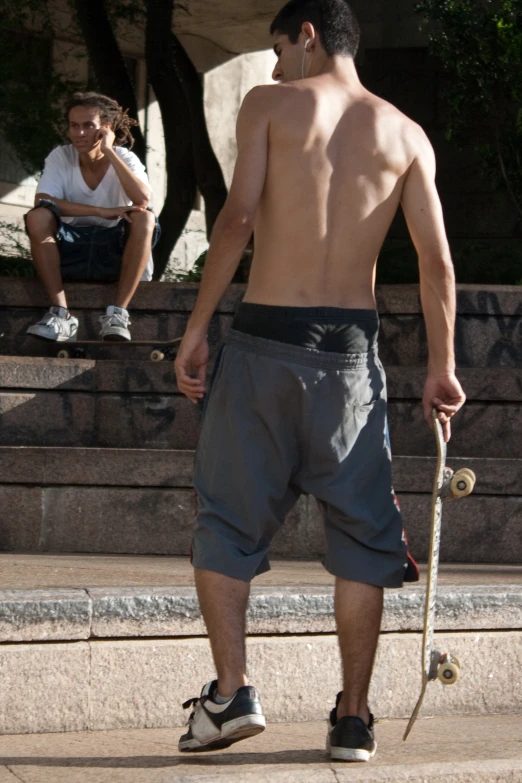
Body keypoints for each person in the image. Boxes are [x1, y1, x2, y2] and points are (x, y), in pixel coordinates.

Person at [174, 0, 466, 763]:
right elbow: (437, 263)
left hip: (266, 341)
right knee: (365, 540)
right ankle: (354, 720)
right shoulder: (405, 134)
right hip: (349, 360)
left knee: (226, 521)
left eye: (277, 49)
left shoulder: (270, 103)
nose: (272, 68)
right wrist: (441, 367)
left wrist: (199, 325)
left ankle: (232, 692)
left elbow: (236, 221)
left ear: (307, 36)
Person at [24, 92, 158, 342]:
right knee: (38, 216)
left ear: (105, 129)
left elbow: (142, 200)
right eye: (74, 126)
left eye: (88, 126)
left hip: (114, 253)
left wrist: (108, 151)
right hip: (70, 250)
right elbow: (43, 201)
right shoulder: (61, 156)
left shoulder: (124, 157)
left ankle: (117, 314)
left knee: (145, 218)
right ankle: (60, 315)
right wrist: (100, 211)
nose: (80, 133)